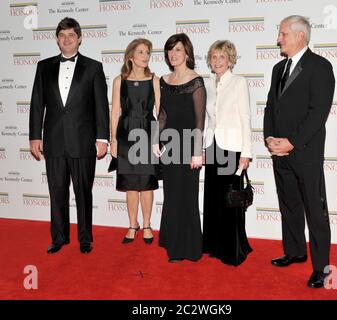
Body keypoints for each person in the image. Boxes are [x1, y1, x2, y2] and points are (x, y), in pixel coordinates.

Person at [264, 15, 335, 288]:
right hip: (279, 152)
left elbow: (319, 113)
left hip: (304, 152)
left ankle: (322, 268)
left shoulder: (319, 67)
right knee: (289, 205)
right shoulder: (277, 68)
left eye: (282, 34)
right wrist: (270, 138)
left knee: (315, 213)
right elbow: (271, 107)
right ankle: (294, 251)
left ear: (299, 36)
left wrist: (291, 142)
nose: (278, 39)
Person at [29, 17, 109, 254]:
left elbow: (101, 106)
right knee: (57, 192)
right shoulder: (43, 67)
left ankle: (85, 239)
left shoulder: (93, 67)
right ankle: (59, 238)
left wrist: (102, 138)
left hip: (83, 141)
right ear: (56, 39)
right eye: (62, 35)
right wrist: (35, 136)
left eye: (71, 35)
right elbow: (36, 104)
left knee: (83, 192)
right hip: (53, 141)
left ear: (79, 38)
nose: (66, 39)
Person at [154, 33, 206, 263]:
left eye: (177, 50)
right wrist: (155, 141)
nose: (172, 54)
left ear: (187, 53)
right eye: (169, 50)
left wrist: (197, 152)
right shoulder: (163, 80)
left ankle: (191, 247)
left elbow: (199, 121)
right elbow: (161, 115)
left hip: (188, 147)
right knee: (172, 196)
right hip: (169, 147)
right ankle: (174, 246)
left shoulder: (196, 81)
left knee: (188, 196)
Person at [202, 40, 253, 266]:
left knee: (230, 199)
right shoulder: (209, 84)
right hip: (213, 146)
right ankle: (213, 244)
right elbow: (207, 119)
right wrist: (203, 147)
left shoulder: (239, 82)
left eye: (221, 57)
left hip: (232, 147)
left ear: (231, 60)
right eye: (213, 57)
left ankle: (232, 249)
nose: (217, 61)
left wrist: (246, 152)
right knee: (213, 197)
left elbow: (245, 118)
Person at [110, 38, 160, 245]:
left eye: (147, 52)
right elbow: (115, 112)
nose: (145, 56)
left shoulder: (155, 80)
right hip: (126, 134)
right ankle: (133, 224)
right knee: (131, 184)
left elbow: (160, 112)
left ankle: (147, 225)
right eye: (141, 52)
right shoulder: (119, 80)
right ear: (131, 56)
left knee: (146, 184)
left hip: (148, 133)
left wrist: (157, 140)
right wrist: (113, 140)